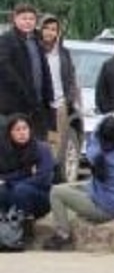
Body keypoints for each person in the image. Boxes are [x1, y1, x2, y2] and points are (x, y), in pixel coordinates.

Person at [41, 114, 114, 250]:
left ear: (103, 135)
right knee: (76, 186)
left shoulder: (97, 154)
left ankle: (62, 234)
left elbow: (93, 138)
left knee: (57, 192)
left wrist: (102, 123)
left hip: (105, 210)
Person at [35, 15, 81, 179]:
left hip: (59, 105)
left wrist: (70, 98)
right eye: (46, 28)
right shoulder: (34, 50)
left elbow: (71, 77)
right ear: (40, 29)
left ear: (58, 32)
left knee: (54, 145)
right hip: (39, 105)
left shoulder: (63, 53)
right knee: (37, 142)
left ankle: (48, 176)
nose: (49, 32)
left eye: (53, 29)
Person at [0, 3, 50, 138]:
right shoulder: (6, 40)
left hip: (38, 104)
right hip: (14, 104)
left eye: (31, 19)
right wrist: (23, 90)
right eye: (24, 18)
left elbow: (43, 70)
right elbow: (4, 67)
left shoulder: (36, 40)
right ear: (15, 19)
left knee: (38, 142)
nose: (28, 22)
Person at [0, 112, 55, 224]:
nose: (22, 133)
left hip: (39, 195)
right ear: (10, 133)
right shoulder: (5, 151)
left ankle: (26, 225)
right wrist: (26, 172)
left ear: (30, 130)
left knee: (21, 190)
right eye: (17, 129)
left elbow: (43, 179)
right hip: (14, 190)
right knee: (2, 191)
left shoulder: (41, 149)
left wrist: (8, 180)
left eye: (25, 128)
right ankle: (6, 224)